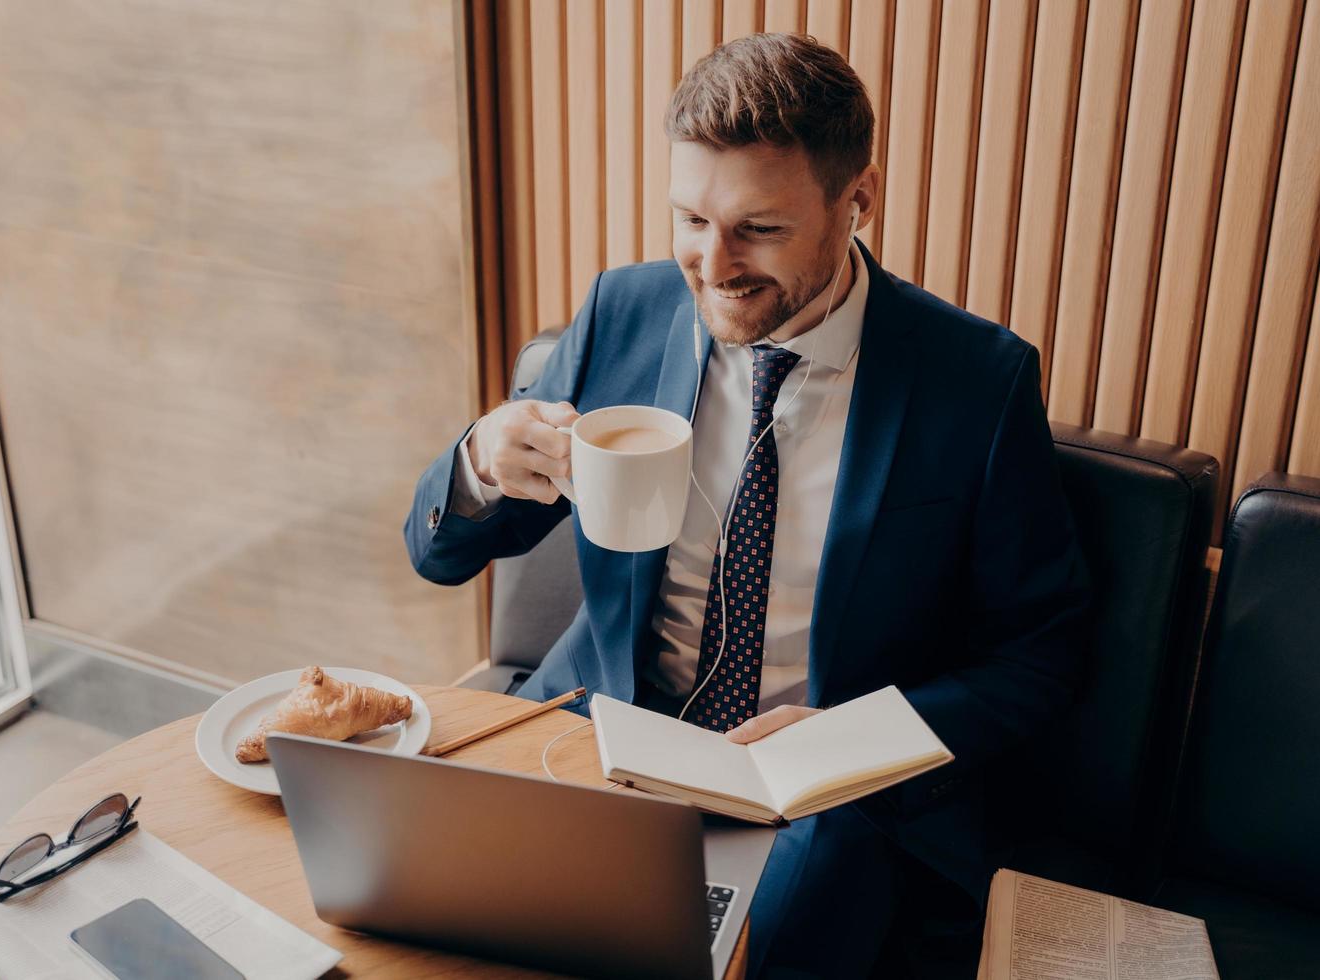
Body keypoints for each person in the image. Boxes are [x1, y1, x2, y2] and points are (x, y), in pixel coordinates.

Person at [405, 32, 1089, 979]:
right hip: (595, 739)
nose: (712, 265)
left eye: (758, 229)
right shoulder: (623, 312)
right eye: (690, 219)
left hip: (821, 801)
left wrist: (851, 739)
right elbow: (439, 555)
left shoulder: (976, 383)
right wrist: (481, 464)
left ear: (859, 200)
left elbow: (1039, 655)